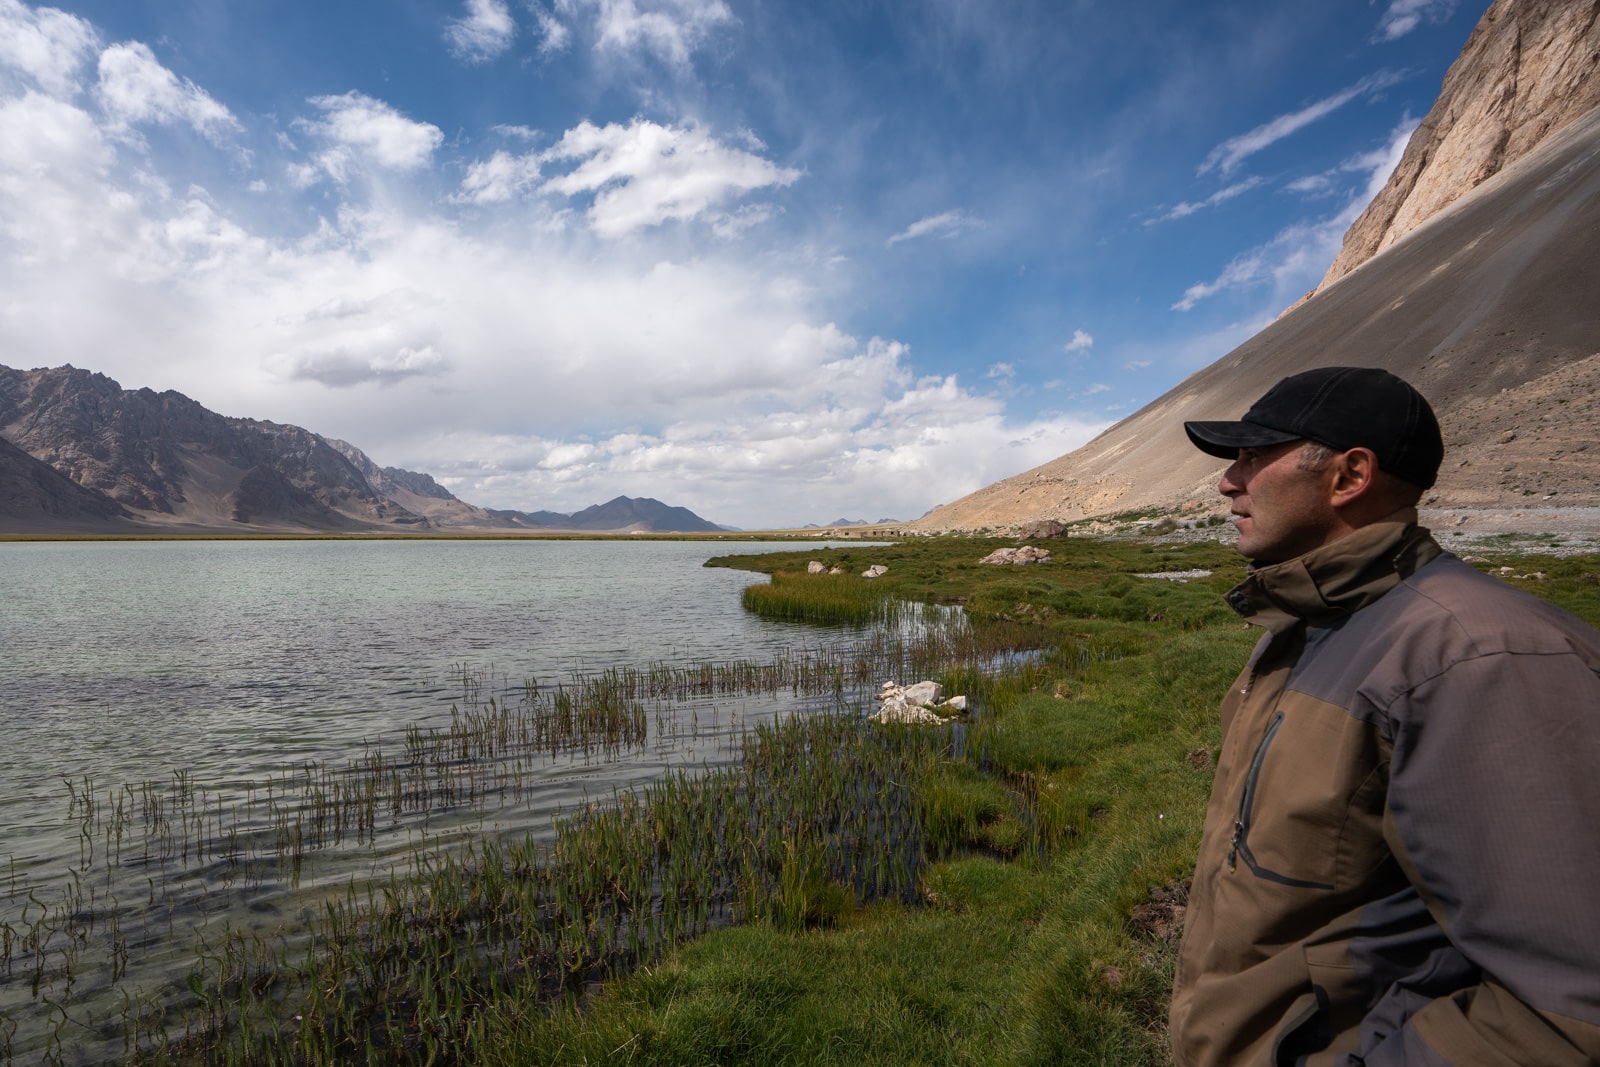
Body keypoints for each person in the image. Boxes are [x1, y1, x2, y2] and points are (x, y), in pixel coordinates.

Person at [1168, 366, 1600, 1066]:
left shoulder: (1482, 661)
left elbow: (1568, 1012)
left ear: (1349, 476)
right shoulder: (1302, 627)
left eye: (1252, 455)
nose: (1227, 480)